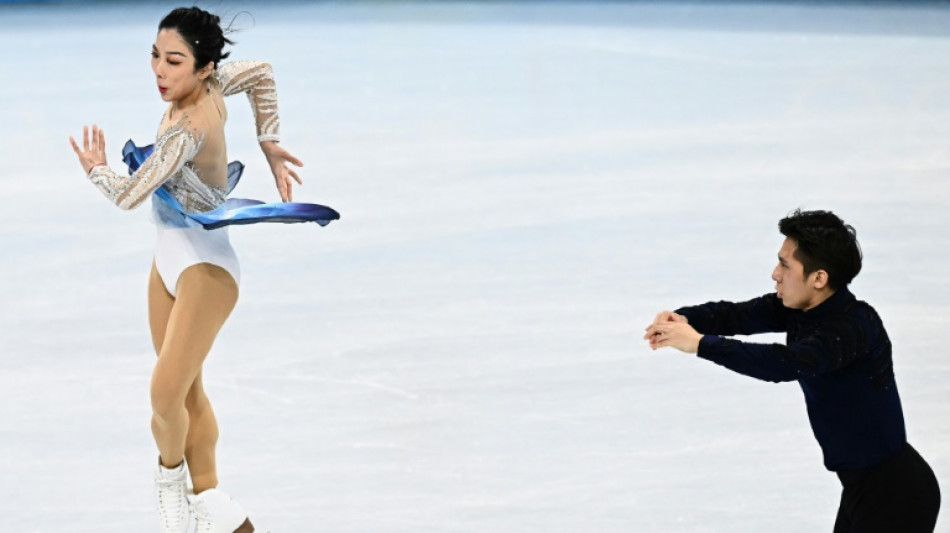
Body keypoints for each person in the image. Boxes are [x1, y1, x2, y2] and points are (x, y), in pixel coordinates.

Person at [69, 7, 336, 533]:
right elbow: (261, 74)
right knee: (186, 392)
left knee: (165, 394)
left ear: (204, 67)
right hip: (168, 255)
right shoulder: (213, 84)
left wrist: (96, 169)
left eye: (174, 61)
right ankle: (212, 503)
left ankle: (170, 488)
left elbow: (128, 196)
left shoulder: (187, 129)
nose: (160, 71)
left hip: (206, 271)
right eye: (155, 56)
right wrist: (269, 140)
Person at [643, 209, 940, 532]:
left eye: (785, 265)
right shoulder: (799, 309)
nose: (775, 274)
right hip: (863, 489)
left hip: (896, 494)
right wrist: (684, 319)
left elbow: (784, 363)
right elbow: (735, 315)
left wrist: (700, 344)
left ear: (819, 278)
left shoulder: (854, 327)